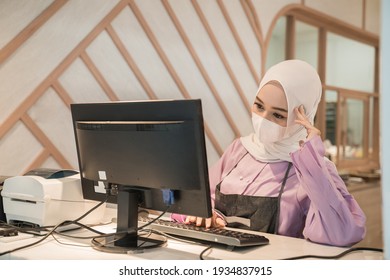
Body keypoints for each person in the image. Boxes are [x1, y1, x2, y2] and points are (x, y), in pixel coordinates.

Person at [173, 59, 366, 247]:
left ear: (303, 117)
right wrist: (203, 214)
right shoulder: (239, 149)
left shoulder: (313, 168)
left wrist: (311, 159)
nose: (263, 119)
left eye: (278, 115)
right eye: (259, 106)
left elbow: (342, 233)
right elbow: (199, 198)